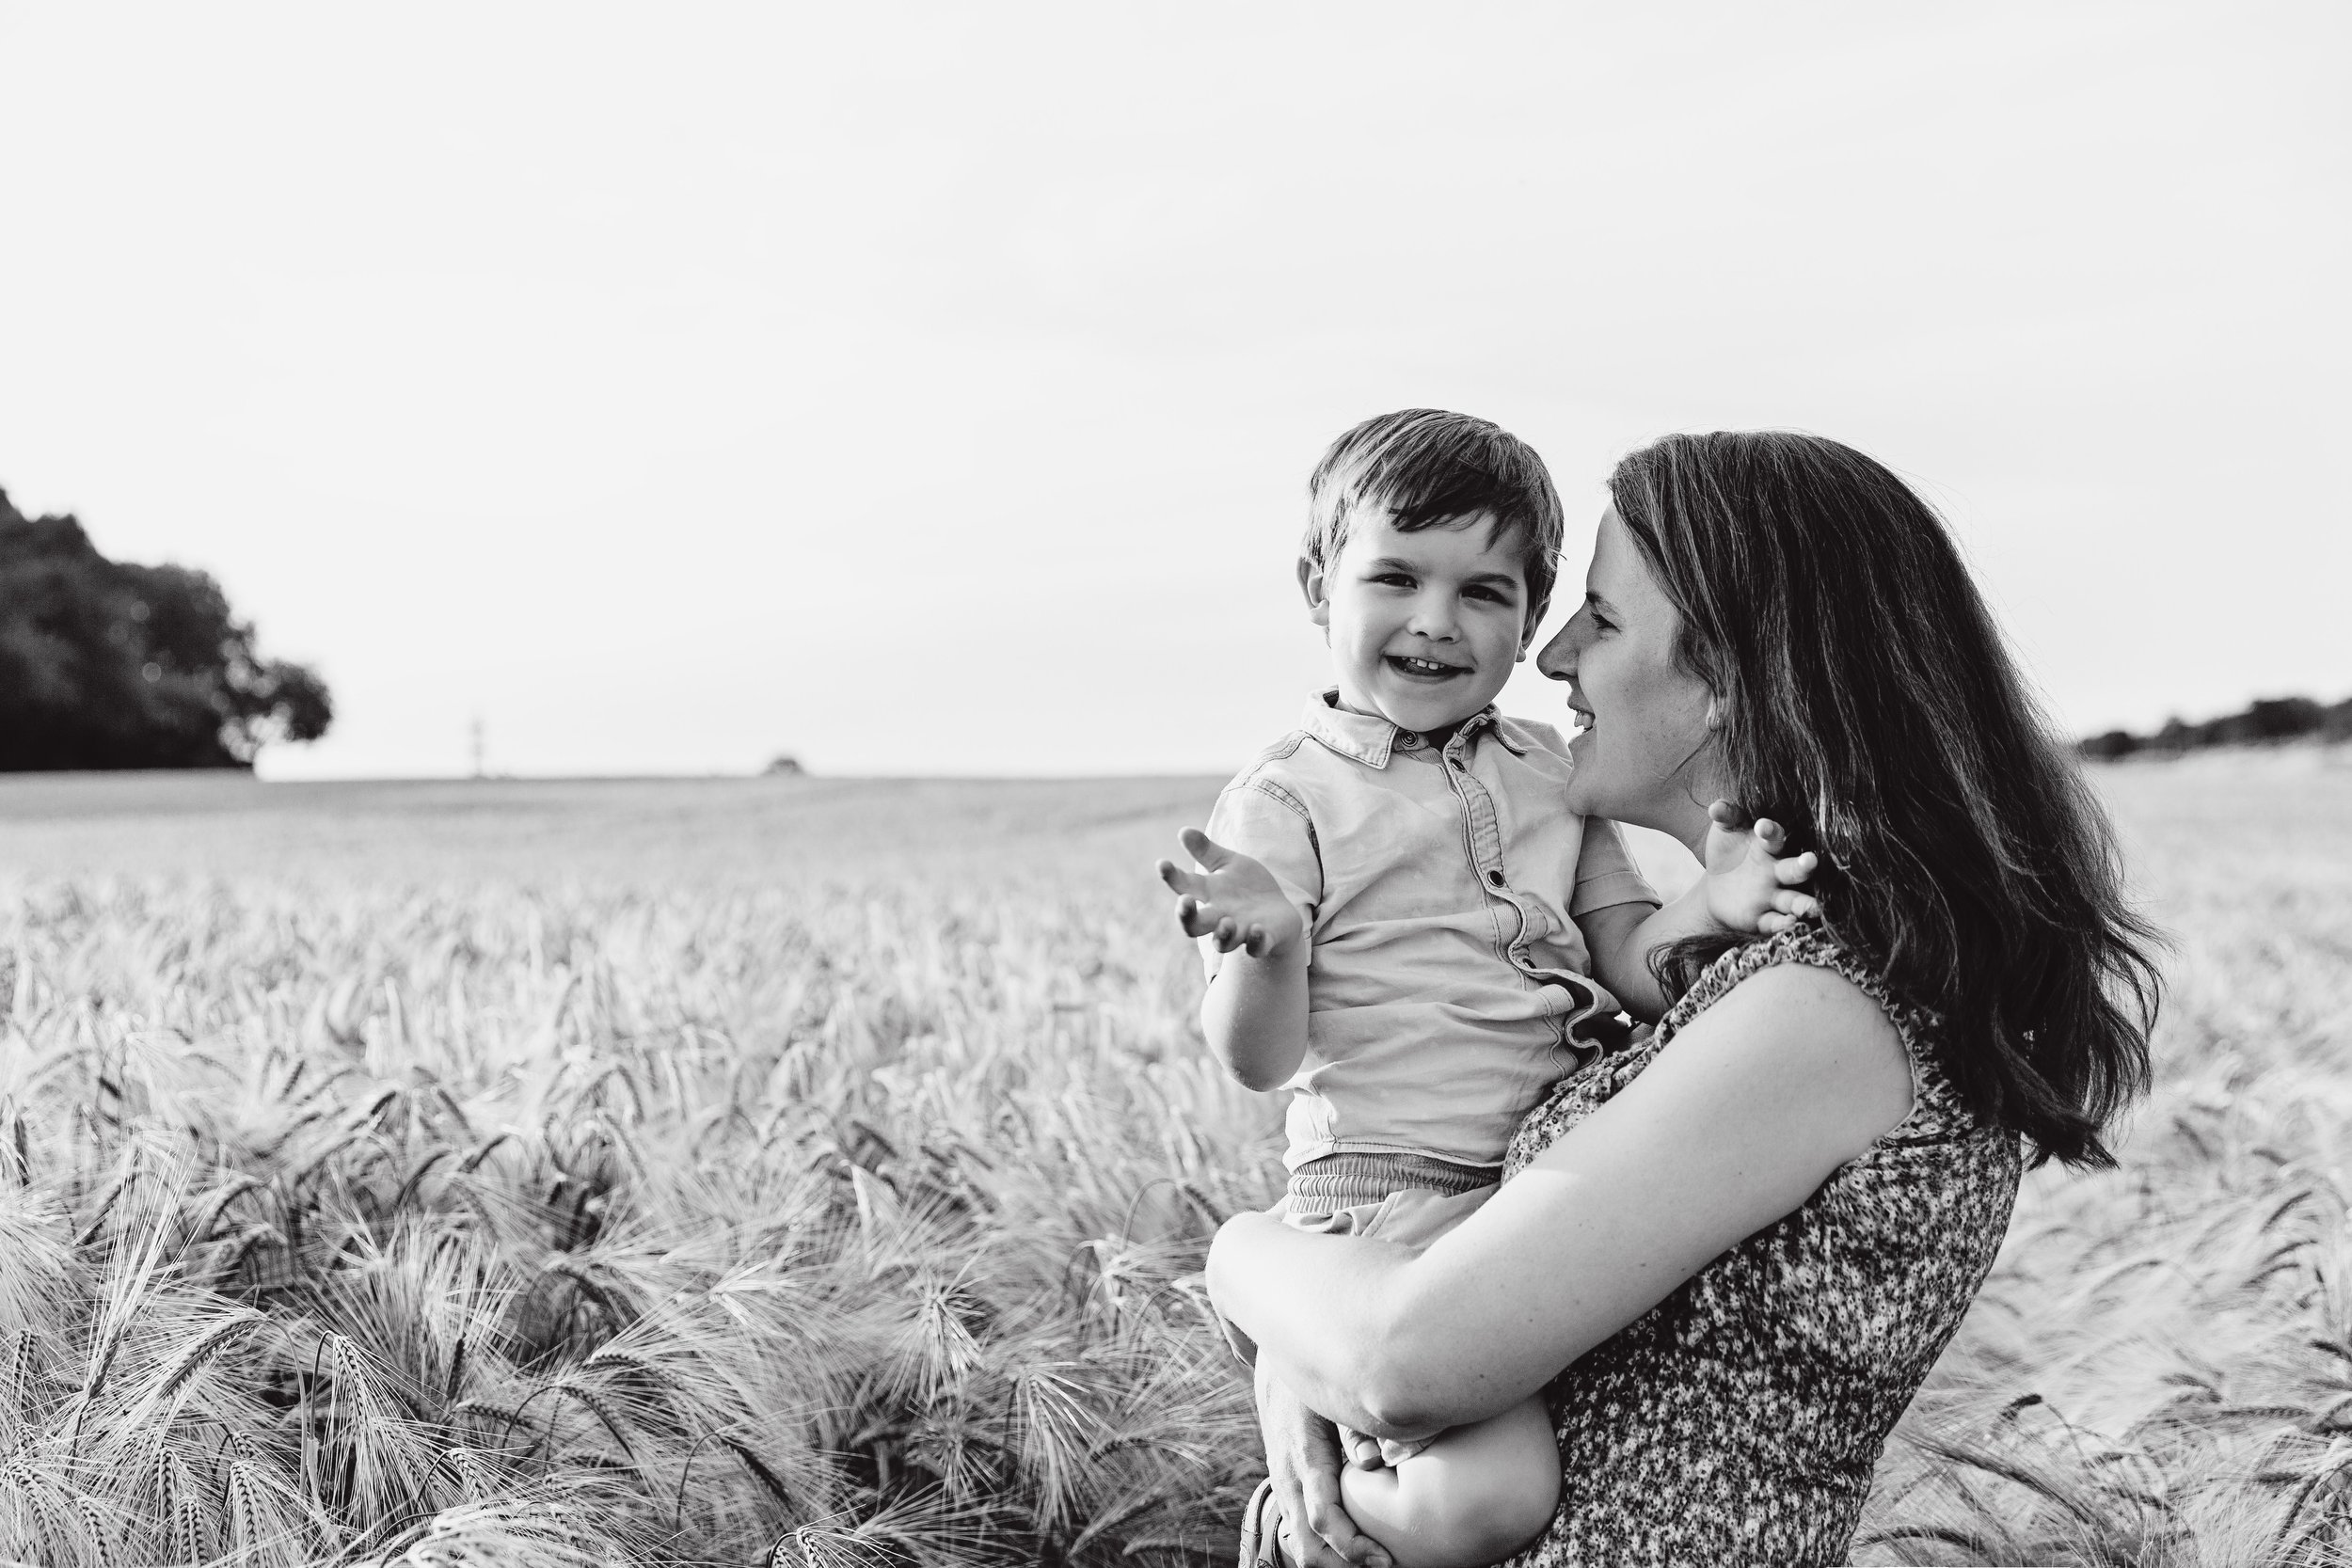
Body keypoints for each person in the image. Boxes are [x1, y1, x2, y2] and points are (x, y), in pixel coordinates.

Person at [1205, 430, 2164, 1567]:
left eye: (1599, 619)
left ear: (1726, 677)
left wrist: (1241, 1255)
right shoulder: (1764, 982)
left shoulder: (1822, 1012)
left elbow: (1403, 1361)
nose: (1548, 655)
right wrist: (1304, 1353)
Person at [1156, 411, 1820, 1566]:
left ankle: (1326, 1410)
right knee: (1487, 1503)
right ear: (1319, 584)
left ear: (1530, 614)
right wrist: (1269, 948)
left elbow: (1627, 957)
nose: (1434, 621)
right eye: (1396, 577)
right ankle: (1315, 1527)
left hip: (1534, 1192)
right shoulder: (1286, 803)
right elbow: (1258, 1062)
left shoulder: (1552, 775)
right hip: (1384, 1195)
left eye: (1484, 591)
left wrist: (1712, 903)